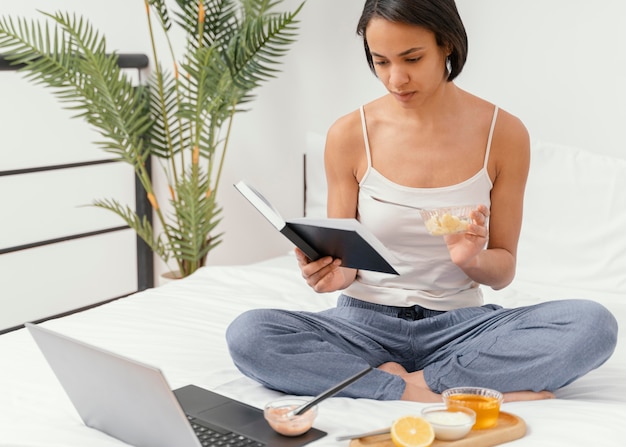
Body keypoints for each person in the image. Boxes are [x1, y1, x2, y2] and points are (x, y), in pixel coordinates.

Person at [226, 0, 617, 403]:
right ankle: (439, 390)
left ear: (447, 44)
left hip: (460, 328)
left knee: (593, 325)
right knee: (250, 334)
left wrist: (471, 260)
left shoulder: (505, 134)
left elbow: (503, 270)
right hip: (363, 325)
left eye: (412, 58)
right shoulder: (348, 134)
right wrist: (327, 274)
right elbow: (348, 270)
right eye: (380, 61)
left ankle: (401, 383)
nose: (395, 79)